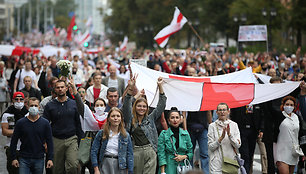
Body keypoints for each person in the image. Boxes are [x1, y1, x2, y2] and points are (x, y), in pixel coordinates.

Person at [122, 76, 166, 174]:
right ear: (135, 107)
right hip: (135, 151)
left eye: (144, 106)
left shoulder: (150, 118)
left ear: (147, 108)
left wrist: (160, 86)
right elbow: (126, 103)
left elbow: (161, 104)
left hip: (150, 150)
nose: (141, 108)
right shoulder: (130, 118)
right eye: (139, 106)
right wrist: (131, 88)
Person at [43, 80, 83, 174]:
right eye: (58, 87)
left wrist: (81, 140)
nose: (60, 89)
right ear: (55, 90)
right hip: (56, 139)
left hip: (72, 139)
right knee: (57, 169)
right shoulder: (50, 105)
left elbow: (78, 123)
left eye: (62, 87)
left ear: (66, 88)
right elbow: (45, 124)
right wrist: (45, 142)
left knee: (73, 165)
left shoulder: (73, 104)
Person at [10, 97, 54, 174]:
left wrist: (50, 158)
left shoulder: (45, 123)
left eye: (35, 106)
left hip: (39, 158)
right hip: (24, 158)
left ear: (39, 107)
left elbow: (50, 142)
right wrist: (14, 158)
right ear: (27, 106)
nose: (33, 108)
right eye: (31, 106)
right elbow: (14, 141)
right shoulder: (20, 123)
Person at [91, 107, 134, 174]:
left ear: (121, 119)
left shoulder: (125, 135)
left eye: (118, 116)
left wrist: (130, 171)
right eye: (113, 116)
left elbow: (129, 154)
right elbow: (94, 151)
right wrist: (96, 168)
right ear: (108, 118)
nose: (115, 118)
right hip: (105, 163)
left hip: (120, 165)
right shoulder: (102, 133)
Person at [158, 107, 193, 174]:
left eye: (177, 117)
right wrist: (163, 172)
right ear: (168, 120)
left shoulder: (185, 134)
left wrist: (183, 157)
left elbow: (190, 152)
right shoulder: (163, 134)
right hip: (168, 167)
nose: (175, 120)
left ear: (180, 120)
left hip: (183, 167)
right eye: (172, 117)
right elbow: (161, 154)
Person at [207, 103, 241, 174]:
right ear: (216, 112)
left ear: (228, 111)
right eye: (220, 110)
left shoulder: (234, 125)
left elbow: (237, 145)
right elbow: (211, 147)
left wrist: (230, 135)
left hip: (231, 161)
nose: (222, 112)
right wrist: (220, 138)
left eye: (224, 110)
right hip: (216, 163)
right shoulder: (212, 126)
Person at [1, 92, 28, 174]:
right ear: (13, 100)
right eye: (16, 99)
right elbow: (5, 131)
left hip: (26, 148)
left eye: (21, 99)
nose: (19, 101)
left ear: (24, 100)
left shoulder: (28, 114)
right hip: (11, 148)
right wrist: (20, 132)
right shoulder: (6, 114)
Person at [274, 96, 301, 174]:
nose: (289, 106)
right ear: (283, 105)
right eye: (287, 104)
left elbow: (300, 134)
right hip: (281, 152)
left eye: (291, 105)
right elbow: (274, 133)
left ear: (294, 107)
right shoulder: (279, 116)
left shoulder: (297, 117)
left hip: (294, 152)